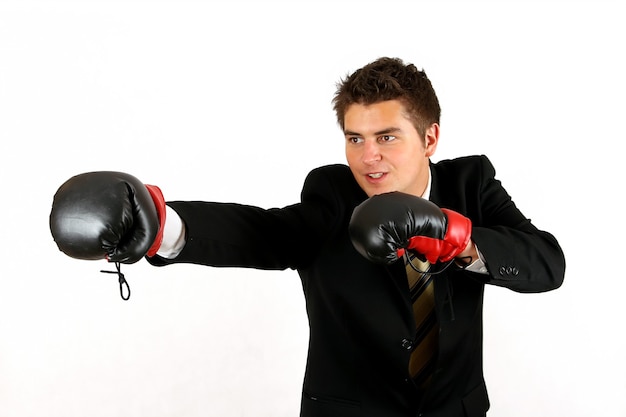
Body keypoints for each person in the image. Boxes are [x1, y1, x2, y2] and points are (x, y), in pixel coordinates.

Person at [49, 57, 566, 417]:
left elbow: (547, 263)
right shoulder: (335, 195)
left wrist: (461, 240)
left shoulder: (471, 183)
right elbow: (268, 234)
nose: (369, 157)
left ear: (430, 137)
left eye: (387, 137)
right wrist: (166, 226)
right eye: (355, 138)